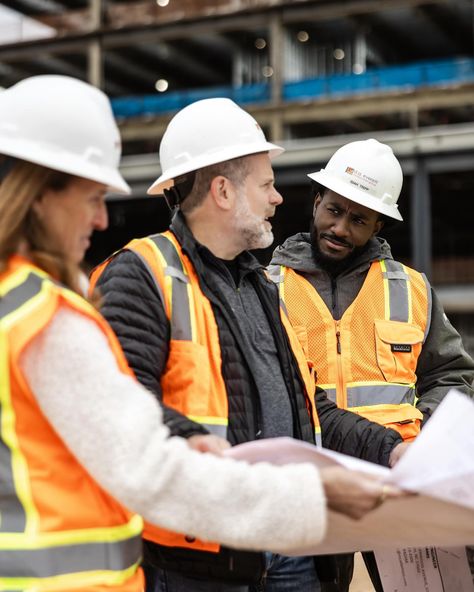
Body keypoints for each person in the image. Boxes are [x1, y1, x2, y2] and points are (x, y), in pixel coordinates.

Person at [0, 75, 406, 591]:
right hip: (204, 558)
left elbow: (308, 407)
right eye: (266, 184)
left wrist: (389, 448)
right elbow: (138, 443)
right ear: (221, 190)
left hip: (283, 549)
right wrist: (308, 495)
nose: (279, 198)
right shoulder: (127, 281)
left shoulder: (260, 285)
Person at [270, 138, 474, 591]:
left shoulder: (411, 288)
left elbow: (451, 374)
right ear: (317, 200)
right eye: (334, 210)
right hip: (311, 483)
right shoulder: (269, 288)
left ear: (378, 223)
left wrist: (427, 442)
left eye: (358, 219)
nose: (340, 228)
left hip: (396, 480)